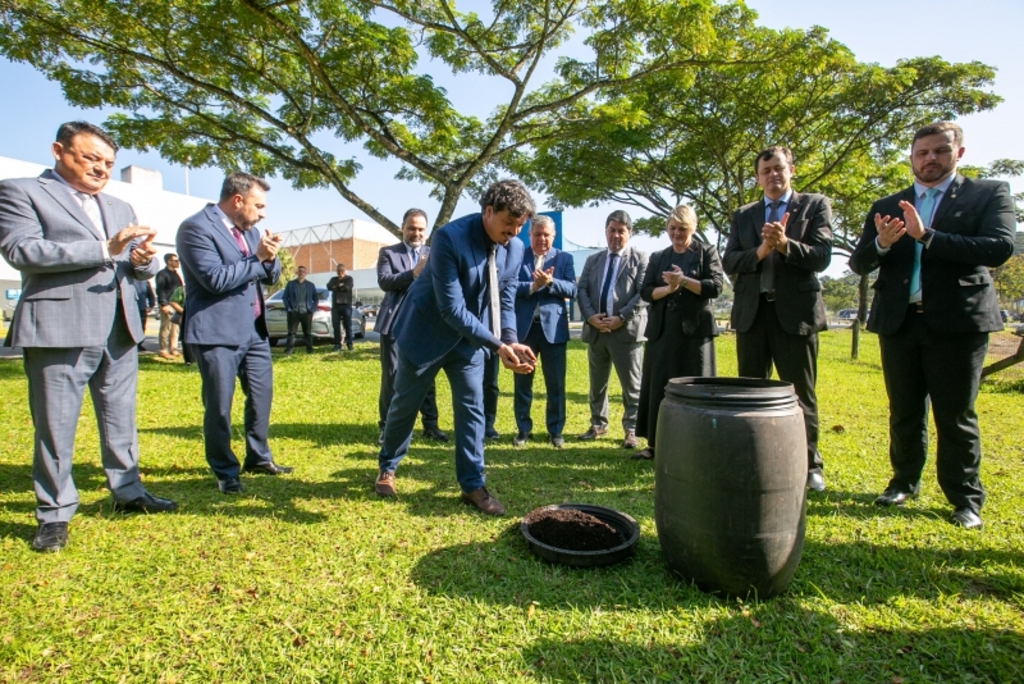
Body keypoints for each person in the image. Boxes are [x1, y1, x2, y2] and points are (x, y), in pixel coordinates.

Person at [0, 121, 177, 552]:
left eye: (109, 163)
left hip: (120, 326)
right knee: (55, 425)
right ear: (59, 150)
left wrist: (141, 260)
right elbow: (21, 249)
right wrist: (105, 249)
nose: (101, 169)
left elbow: (137, 266)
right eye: (91, 158)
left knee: (121, 418)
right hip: (61, 326)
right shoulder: (21, 191)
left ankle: (128, 490)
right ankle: (54, 513)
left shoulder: (118, 205)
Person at [849, 122, 1015, 530]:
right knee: (904, 410)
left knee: (955, 414)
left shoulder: (987, 194)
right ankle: (903, 482)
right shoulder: (888, 203)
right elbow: (859, 262)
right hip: (900, 321)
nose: (930, 159)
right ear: (911, 157)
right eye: (922, 152)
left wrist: (930, 236)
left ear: (958, 153)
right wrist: (884, 244)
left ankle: (965, 499)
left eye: (940, 151)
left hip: (957, 323)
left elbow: (999, 248)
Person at [374, 179, 537, 516]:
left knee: (472, 409)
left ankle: (472, 485)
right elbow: (451, 309)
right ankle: (387, 467)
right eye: (509, 223)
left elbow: (504, 298)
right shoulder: (449, 238)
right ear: (488, 211)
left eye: (520, 226)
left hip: (469, 342)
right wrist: (495, 345)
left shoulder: (516, 248)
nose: (515, 232)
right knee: (404, 405)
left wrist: (509, 339)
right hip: (425, 334)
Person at [722, 146, 833, 492]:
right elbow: (730, 262)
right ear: (757, 177)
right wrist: (761, 251)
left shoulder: (814, 205)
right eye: (765, 170)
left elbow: (822, 256)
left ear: (791, 170)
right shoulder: (744, 215)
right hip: (753, 314)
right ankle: (753, 459)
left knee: (800, 393)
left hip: (794, 314)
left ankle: (809, 464)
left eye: (779, 168)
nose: (773, 174)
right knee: (751, 392)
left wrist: (785, 245)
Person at [176, 172, 293, 494]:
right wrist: (257, 258)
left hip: (254, 331)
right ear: (237, 200)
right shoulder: (195, 228)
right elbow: (214, 279)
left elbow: (269, 277)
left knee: (260, 397)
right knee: (219, 405)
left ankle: (258, 456)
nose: (262, 213)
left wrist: (270, 260)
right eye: (259, 205)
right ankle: (225, 470)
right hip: (216, 332)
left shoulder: (251, 231)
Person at [634, 205, 724, 460]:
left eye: (682, 228)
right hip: (663, 331)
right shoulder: (658, 256)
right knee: (659, 386)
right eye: (672, 228)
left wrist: (684, 281)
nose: (677, 233)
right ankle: (655, 443)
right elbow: (646, 291)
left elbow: (715, 287)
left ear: (693, 228)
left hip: (695, 333)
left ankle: (697, 443)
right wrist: (669, 289)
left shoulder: (707, 252)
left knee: (696, 387)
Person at [576, 210, 648, 449]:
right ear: (605, 231)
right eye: (612, 230)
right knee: (597, 383)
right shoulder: (593, 260)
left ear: (630, 233)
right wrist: (589, 317)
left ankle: (632, 429)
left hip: (625, 332)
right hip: (597, 332)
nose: (616, 235)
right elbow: (582, 290)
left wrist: (621, 317)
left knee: (632, 385)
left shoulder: (640, 259)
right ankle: (598, 424)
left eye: (621, 231)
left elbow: (642, 294)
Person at [376, 208, 448, 445]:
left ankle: (431, 425)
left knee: (427, 375)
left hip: (426, 324)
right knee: (392, 376)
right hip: (395, 323)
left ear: (425, 232)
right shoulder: (388, 253)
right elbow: (385, 282)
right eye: (411, 228)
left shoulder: (434, 252)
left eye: (420, 229)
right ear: (402, 228)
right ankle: (386, 427)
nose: (416, 233)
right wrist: (413, 273)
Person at [512, 215, 577, 448]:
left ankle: (556, 431)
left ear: (553, 236)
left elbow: (572, 288)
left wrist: (550, 282)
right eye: (537, 234)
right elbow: (508, 286)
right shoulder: (518, 257)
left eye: (546, 235)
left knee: (556, 384)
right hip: (525, 330)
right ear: (529, 235)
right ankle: (523, 430)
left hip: (554, 330)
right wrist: (533, 286)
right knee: (522, 382)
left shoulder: (564, 258)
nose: (541, 239)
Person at [282, 265, 316, 354]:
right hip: (294, 312)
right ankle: (289, 350)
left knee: (307, 332)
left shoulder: (311, 285)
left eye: (303, 271)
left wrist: (312, 309)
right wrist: (289, 308)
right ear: (297, 273)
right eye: (299, 271)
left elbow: (316, 299)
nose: (301, 273)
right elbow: (285, 297)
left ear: (306, 273)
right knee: (291, 332)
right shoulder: (290, 284)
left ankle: (309, 349)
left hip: (306, 312)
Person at [155, 252, 183, 359]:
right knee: (166, 328)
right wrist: (163, 304)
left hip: (176, 305)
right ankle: (163, 350)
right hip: (167, 304)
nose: (178, 262)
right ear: (169, 261)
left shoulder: (176, 274)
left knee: (175, 328)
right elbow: (160, 290)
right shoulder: (162, 274)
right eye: (175, 260)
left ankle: (173, 349)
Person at [326, 263, 354, 351]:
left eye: (342, 270)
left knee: (348, 325)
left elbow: (347, 287)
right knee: (336, 326)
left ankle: (349, 344)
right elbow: (329, 286)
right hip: (336, 306)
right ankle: (337, 344)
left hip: (346, 305)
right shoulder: (333, 279)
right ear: (336, 271)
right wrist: (340, 285)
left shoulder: (349, 279)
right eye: (338, 270)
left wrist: (337, 286)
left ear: (345, 271)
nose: (340, 272)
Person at [134, 278, 156, 351]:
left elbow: (150, 295)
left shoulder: (145, 282)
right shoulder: (129, 280)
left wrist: (151, 305)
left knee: (142, 327)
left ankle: (139, 344)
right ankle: (132, 345)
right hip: (131, 308)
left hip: (142, 308)